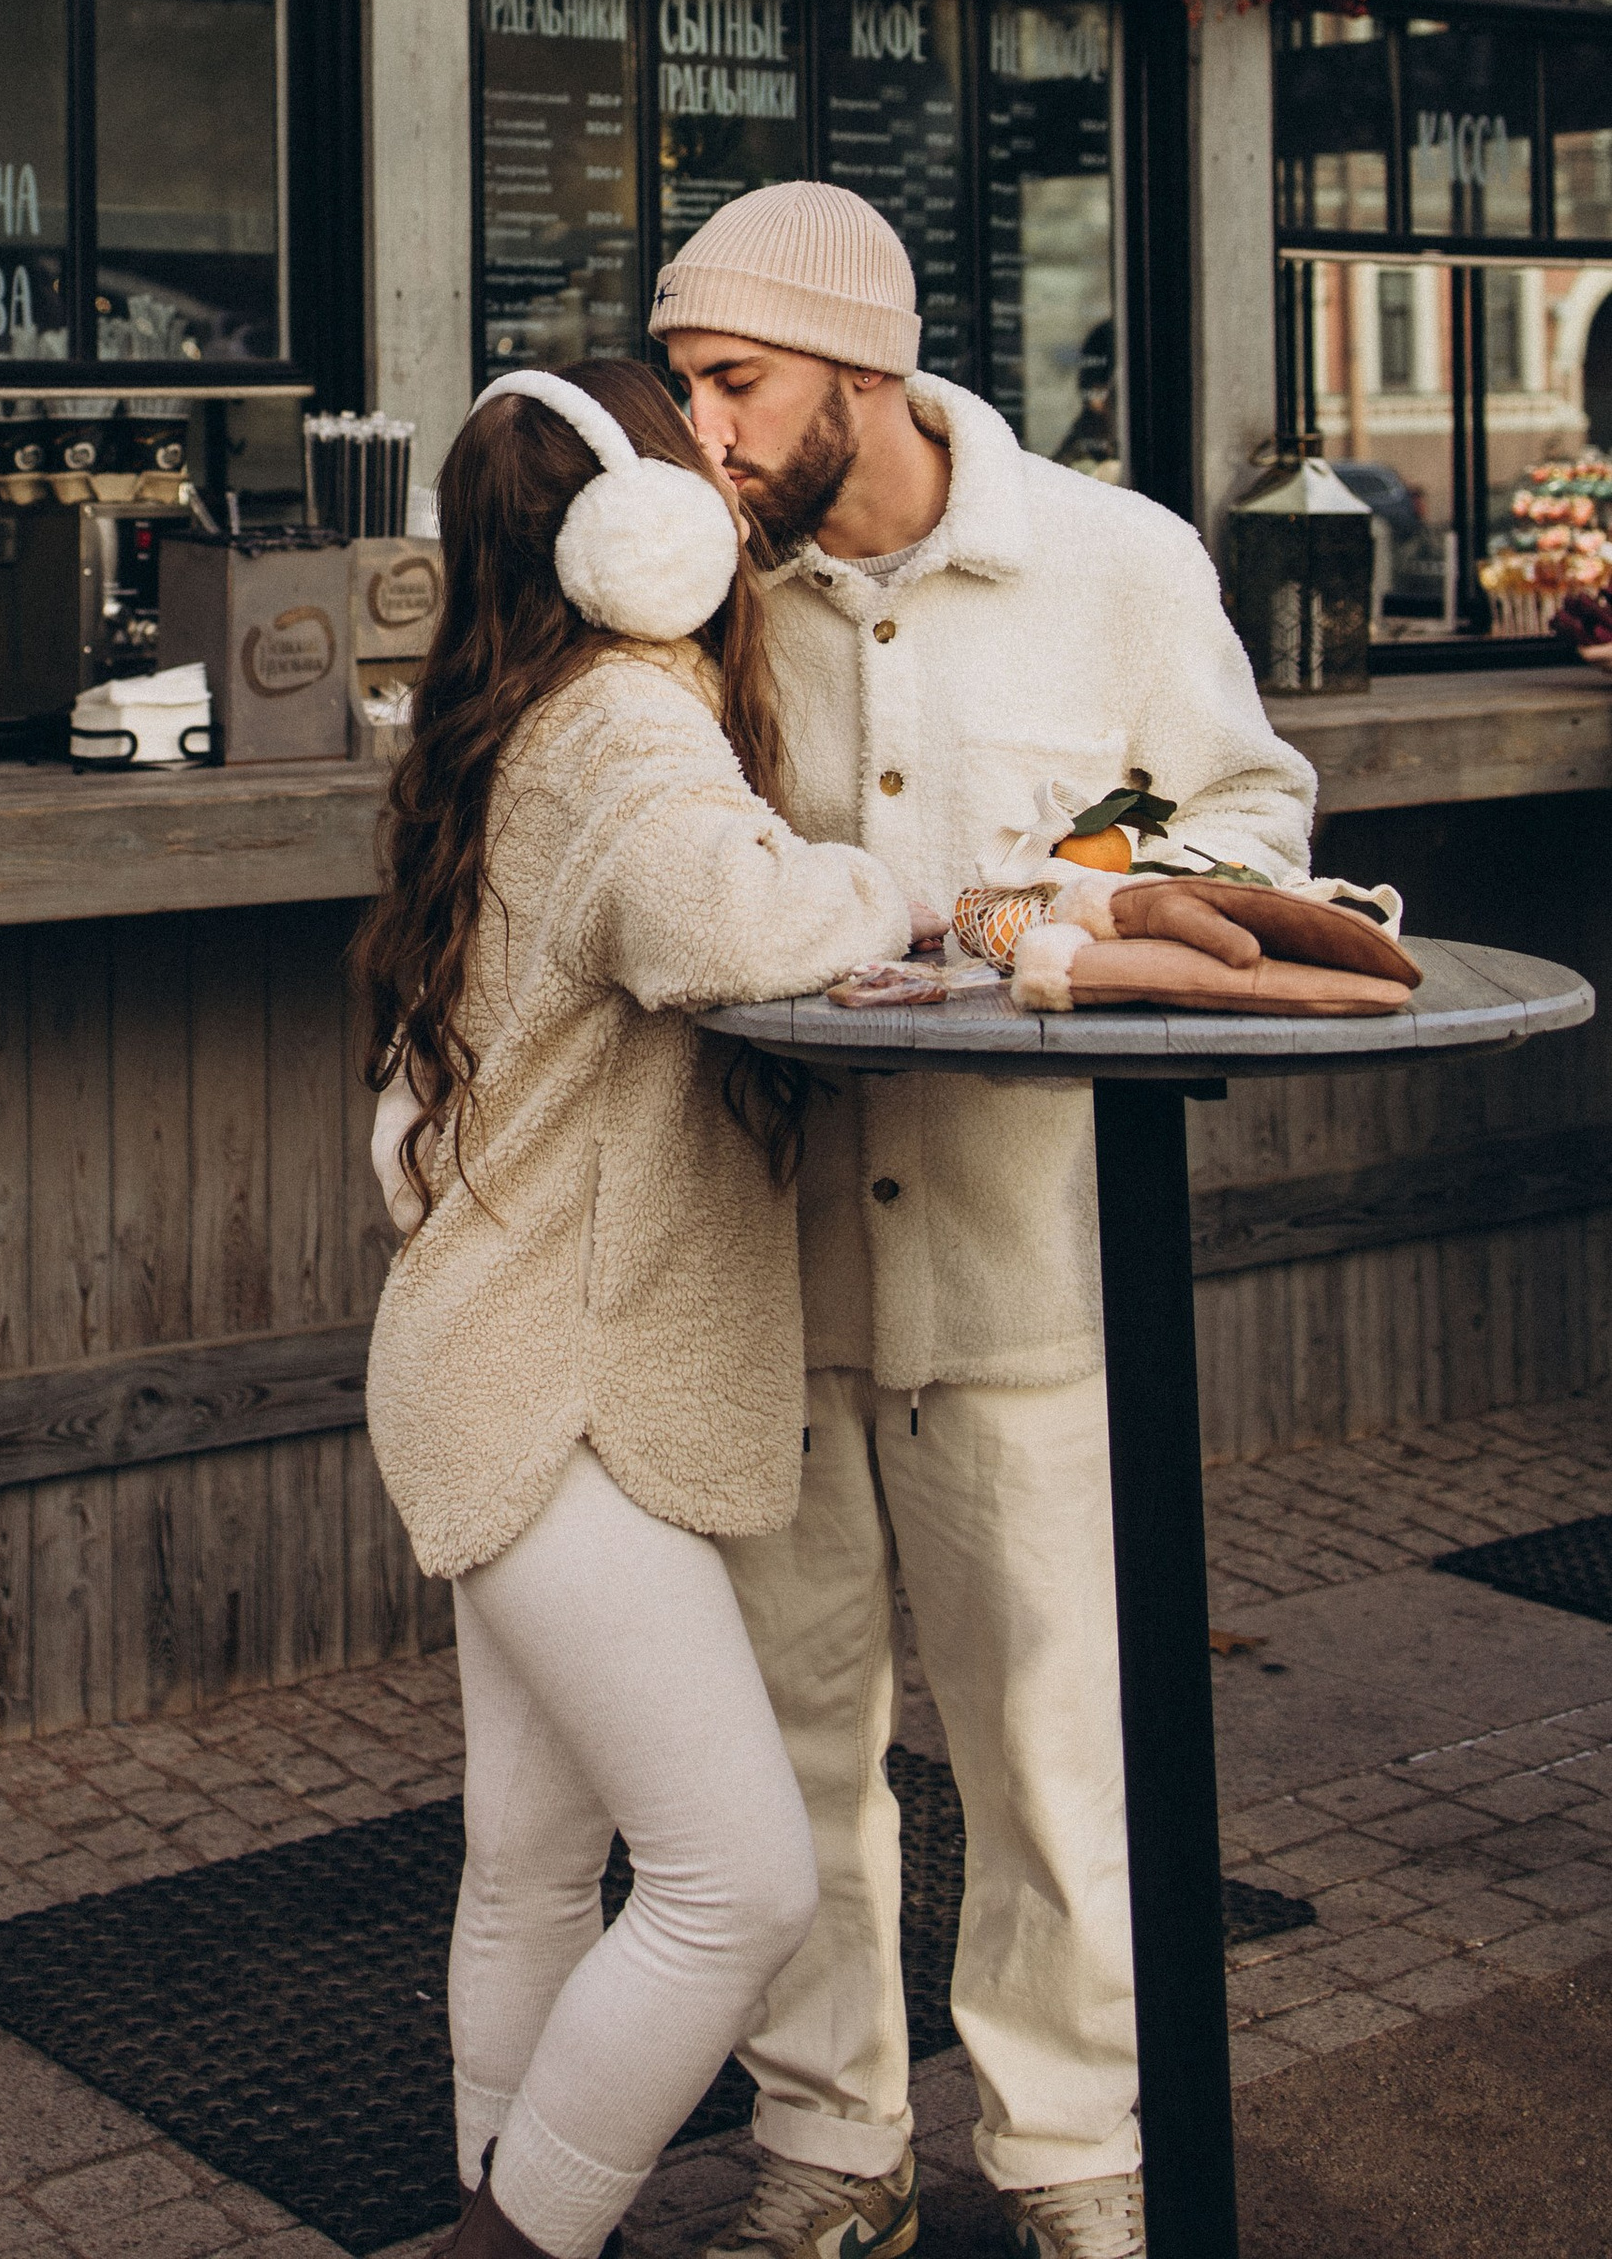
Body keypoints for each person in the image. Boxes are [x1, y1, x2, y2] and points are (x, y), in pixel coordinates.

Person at [650, 185, 1315, 2259]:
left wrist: (1073, 889)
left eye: (731, 383)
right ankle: (827, 2155)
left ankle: (1071, 2164)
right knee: (784, 1759)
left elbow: (1253, 816)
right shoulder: (697, 593)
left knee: (1049, 1754)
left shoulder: (1117, 562)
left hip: (1026, 1268)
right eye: (679, 385)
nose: (703, 431)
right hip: (758, 1261)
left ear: (863, 371)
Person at [358, 359, 921, 2259]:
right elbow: (730, 924)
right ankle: (519, 2242)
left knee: (533, 1869)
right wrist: (907, 888)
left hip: (490, 1342)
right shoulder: (626, 725)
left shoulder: (531, 711)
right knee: (733, 1883)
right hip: (553, 1375)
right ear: (649, 541)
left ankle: (499, 2209)